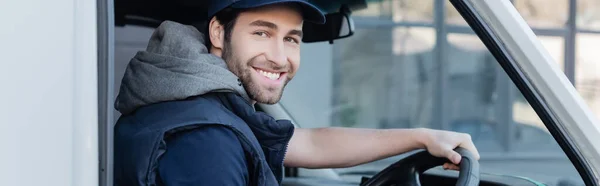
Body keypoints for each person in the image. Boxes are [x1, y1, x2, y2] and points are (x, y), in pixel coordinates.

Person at [113, 0, 480, 185]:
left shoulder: (205, 104)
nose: (279, 57)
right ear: (218, 33)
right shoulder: (206, 139)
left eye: (291, 39)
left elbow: (311, 144)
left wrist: (422, 137)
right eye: (261, 33)